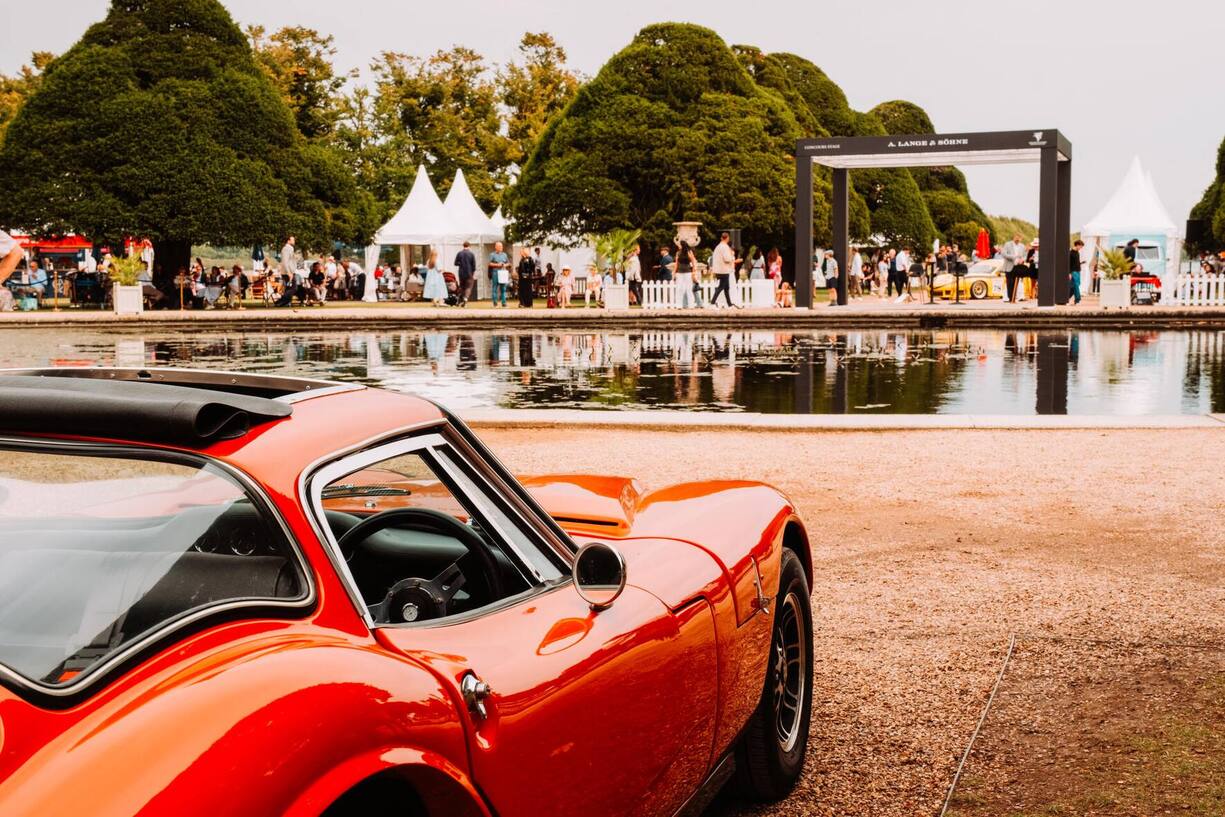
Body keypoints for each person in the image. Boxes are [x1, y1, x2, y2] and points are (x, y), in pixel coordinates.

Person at [709, 231, 739, 308]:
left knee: (726, 288)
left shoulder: (718, 246)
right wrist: (732, 258)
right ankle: (712, 303)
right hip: (724, 270)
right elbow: (727, 259)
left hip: (719, 269)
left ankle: (729, 304)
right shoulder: (725, 247)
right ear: (727, 238)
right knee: (721, 287)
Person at [1001, 234, 1025, 302]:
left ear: (1021, 239)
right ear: (1013, 237)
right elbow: (1004, 254)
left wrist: (1022, 260)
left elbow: (1024, 255)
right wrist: (1014, 257)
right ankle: (1010, 297)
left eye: (1019, 238)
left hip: (1017, 267)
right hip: (1009, 266)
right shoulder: (1007, 244)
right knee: (1010, 282)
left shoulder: (1022, 246)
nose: (1017, 239)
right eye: (1016, 238)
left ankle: (1013, 297)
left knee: (1016, 282)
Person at [674, 241, 697, 309]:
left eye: (679, 245)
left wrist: (693, 272)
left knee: (689, 289)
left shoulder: (689, 252)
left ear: (682, 245)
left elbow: (693, 262)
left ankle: (691, 305)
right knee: (679, 289)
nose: (678, 246)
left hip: (688, 272)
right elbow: (676, 263)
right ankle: (679, 305)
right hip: (679, 272)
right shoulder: (678, 253)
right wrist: (674, 273)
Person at [454, 241, 476, 306]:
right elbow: (474, 265)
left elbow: (455, 263)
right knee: (468, 287)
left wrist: (460, 263)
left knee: (462, 287)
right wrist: (472, 273)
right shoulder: (471, 254)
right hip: (469, 273)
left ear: (463, 246)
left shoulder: (459, 253)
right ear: (469, 246)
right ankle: (465, 298)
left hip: (461, 273)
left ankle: (459, 300)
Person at [488, 241, 509, 307]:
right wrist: (497, 264)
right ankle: (495, 302)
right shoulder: (492, 254)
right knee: (495, 288)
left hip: (503, 272)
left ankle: (504, 303)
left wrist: (505, 265)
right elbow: (489, 264)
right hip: (495, 273)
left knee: (503, 288)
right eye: (499, 246)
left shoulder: (504, 255)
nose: (501, 247)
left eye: (501, 246)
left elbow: (508, 263)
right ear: (496, 247)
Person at [1069, 239, 1084, 305]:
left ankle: (1066, 297)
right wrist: (1069, 273)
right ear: (1077, 245)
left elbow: (1076, 262)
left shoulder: (1078, 252)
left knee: (1074, 285)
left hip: (1078, 270)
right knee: (1076, 285)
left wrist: (1081, 263)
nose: (1081, 248)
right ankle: (1078, 299)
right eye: (1080, 247)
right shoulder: (1070, 253)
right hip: (1073, 271)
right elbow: (1069, 264)